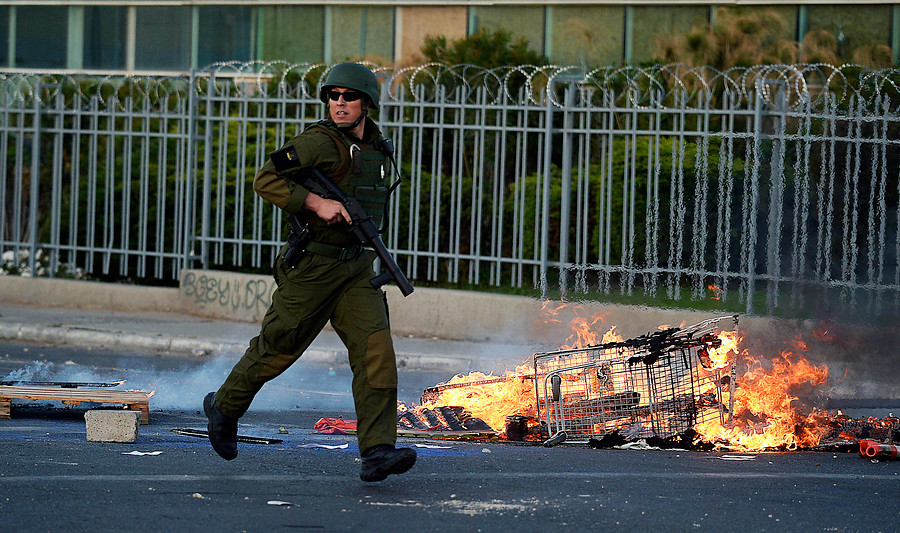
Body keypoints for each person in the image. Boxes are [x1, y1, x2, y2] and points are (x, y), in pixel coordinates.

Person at [203, 62, 416, 482]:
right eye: (333, 96)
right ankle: (224, 407)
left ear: (367, 103)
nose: (340, 103)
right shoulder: (318, 142)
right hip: (314, 266)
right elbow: (266, 180)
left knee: (376, 353)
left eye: (349, 97)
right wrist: (318, 204)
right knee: (278, 347)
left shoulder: (378, 148)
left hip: (357, 267)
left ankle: (377, 450)